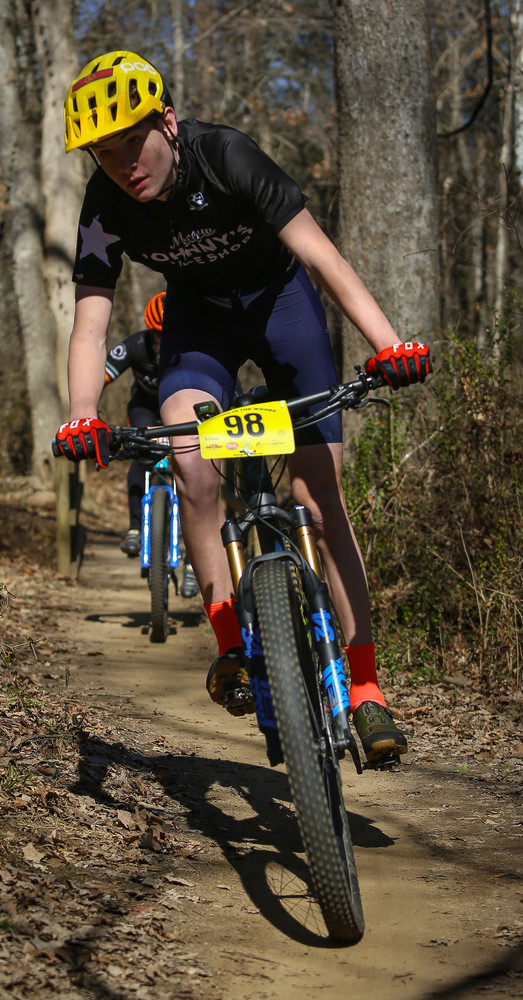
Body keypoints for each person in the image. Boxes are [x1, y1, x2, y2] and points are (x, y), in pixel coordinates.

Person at [54, 50, 432, 763]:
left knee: (318, 496)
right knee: (189, 462)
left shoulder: (225, 155)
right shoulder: (104, 204)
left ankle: (365, 688)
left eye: (133, 142)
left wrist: (389, 346)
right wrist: (81, 411)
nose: (123, 165)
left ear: (168, 123)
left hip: (282, 305)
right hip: (199, 324)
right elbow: (90, 321)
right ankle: (231, 648)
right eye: (105, 154)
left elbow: (322, 257)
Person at [103, 290, 199, 599]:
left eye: (165, 333)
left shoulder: (191, 345)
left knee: (197, 470)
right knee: (140, 457)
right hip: (145, 408)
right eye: (156, 334)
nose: (161, 340)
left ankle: (193, 561)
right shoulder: (135, 345)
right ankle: (135, 527)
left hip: (182, 408)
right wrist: (89, 412)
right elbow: (101, 374)